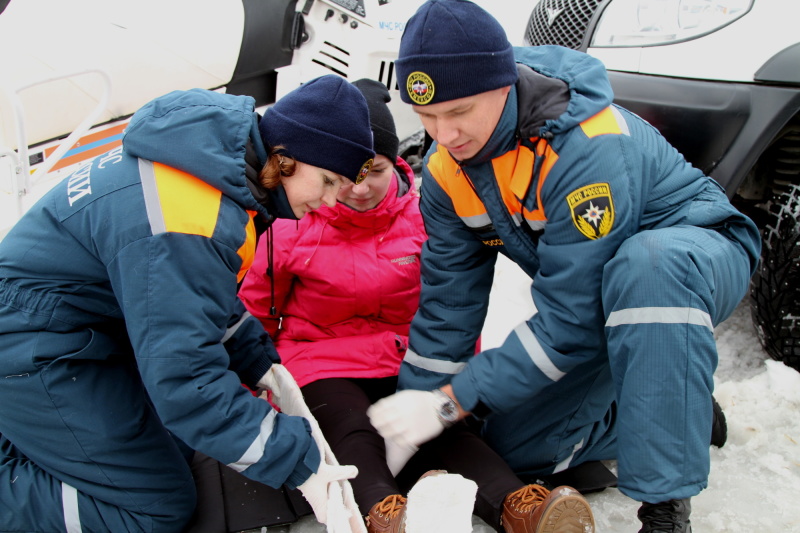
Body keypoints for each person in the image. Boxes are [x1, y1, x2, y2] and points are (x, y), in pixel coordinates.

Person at [366, 1, 762, 532]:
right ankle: (668, 403)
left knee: (647, 264)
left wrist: (450, 404)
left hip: (693, 260)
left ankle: (666, 510)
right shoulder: (447, 172)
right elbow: (447, 307)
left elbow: (571, 320)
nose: (444, 135)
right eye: (427, 117)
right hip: (603, 294)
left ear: (502, 85)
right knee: (514, 449)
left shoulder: (584, 145)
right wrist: (417, 408)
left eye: (459, 112)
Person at [0, 74, 376, 532]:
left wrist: (256, 360)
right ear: (287, 159)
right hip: (33, 344)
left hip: (80, 328)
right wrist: (299, 459)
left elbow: (190, 297)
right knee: (154, 507)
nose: (332, 200)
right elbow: (184, 381)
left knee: (173, 452)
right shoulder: (190, 215)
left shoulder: (208, 167)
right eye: (330, 180)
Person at [239, 78, 595, 533]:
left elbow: (456, 306)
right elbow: (257, 315)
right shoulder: (294, 221)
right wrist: (258, 395)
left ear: (396, 164)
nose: (361, 188)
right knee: (350, 431)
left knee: (449, 432)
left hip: (411, 358)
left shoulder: (427, 218)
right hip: (323, 362)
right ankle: (388, 515)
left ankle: (524, 507)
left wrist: (459, 388)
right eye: (348, 176)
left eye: (377, 169)